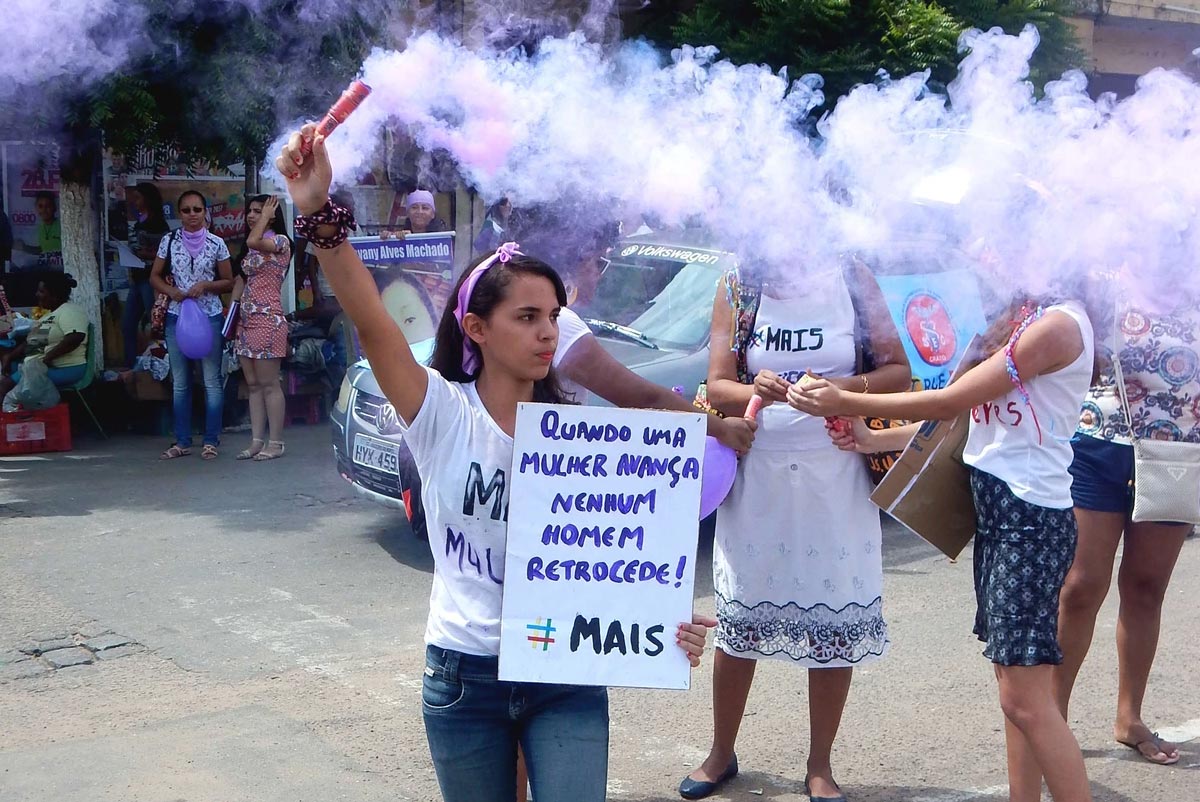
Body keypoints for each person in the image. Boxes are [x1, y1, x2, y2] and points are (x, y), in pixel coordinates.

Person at [276, 124, 720, 802]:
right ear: (477, 327)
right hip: (464, 677)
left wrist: (663, 625)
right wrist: (316, 210)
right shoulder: (441, 413)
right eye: (527, 316)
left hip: (565, 674)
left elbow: (617, 562)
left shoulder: (585, 441)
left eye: (555, 315)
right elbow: (372, 322)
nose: (549, 332)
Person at [788, 293, 1097, 802]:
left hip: (1030, 518)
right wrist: (871, 438)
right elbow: (971, 423)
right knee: (1016, 693)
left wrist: (846, 401)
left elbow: (949, 402)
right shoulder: (1027, 317)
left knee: (1026, 700)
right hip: (1004, 514)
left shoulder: (1058, 326)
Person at [680, 262, 911, 802]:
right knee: (740, 615)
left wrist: (840, 390)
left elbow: (898, 371)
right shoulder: (739, 284)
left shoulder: (853, 278)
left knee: (834, 616)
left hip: (837, 475)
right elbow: (716, 385)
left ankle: (820, 765)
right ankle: (720, 753)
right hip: (756, 474)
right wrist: (754, 388)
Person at [1054, 292, 1200, 766]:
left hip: (1177, 451)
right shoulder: (1102, 265)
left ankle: (1129, 716)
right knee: (1079, 586)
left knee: (1145, 588)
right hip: (1096, 441)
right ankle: (1048, 720)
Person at [150, 190, 234, 461]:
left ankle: (211, 440)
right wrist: (170, 291)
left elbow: (228, 281)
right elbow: (154, 276)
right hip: (177, 315)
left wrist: (206, 286)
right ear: (179, 214)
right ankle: (182, 441)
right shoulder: (169, 241)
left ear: (205, 211)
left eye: (197, 209)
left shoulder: (216, 243)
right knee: (181, 382)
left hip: (208, 315)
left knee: (211, 380)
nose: (192, 215)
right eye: (186, 210)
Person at [232, 195, 292, 461]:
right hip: (246, 320)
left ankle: (276, 442)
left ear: (272, 214)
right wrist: (233, 312)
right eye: (250, 211)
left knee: (269, 384)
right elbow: (241, 279)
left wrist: (266, 218)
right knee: (253, 384)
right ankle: (257, 440)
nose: (252, 215)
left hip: (268, 320)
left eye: (259, 211)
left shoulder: (279, 242)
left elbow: (253, 240)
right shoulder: (252, 249)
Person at [0, 273, 88, 397]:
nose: (37, 294)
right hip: (46, 366)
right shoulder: (48, 317)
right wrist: (9, 357)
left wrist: (46, 359)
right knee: (6, 371)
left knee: (5, 385)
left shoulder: (70, 311)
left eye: (41, 291)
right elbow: (32, 343)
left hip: (67, 369)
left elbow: (75, 338)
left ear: (54, 295)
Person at [122, 182, 171, 367]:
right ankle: (131, 367)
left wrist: (145, 254)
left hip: (151, 279)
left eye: (138, 197)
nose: (135, 202)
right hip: (137, 278)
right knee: (127, 324)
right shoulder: (140, 220)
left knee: (155, 323)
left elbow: (164, 252)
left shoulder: (158, 223)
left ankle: (158, 364)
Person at [381, 190, 449, 238]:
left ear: (433, 214)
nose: (419, 212)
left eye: (425, 208)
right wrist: (389, 240)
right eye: (414, 207)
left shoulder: (441, 239)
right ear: (407, 213)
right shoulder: (400, 237)